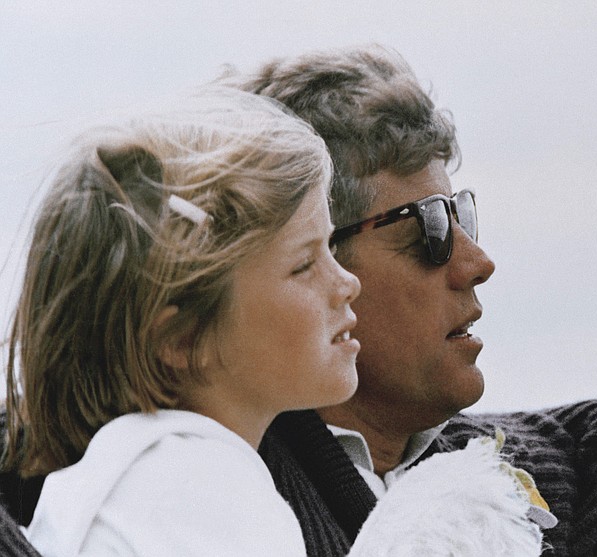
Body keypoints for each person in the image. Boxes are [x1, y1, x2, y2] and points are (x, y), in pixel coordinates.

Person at [240, 45, 597, 557]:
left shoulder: (485, 465)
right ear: (308, 265)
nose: (478, 264)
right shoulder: (229, 490)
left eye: (460, 214)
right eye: (431, 228)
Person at [3, 86, 362, 555]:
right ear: (182, 338)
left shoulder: (128, 477)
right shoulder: (199, 488)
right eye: (303, 265)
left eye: (330, 249)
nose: (347, 283)